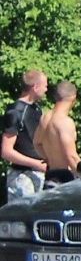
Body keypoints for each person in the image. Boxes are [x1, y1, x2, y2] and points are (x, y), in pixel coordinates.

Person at [2, 71, 49, 201]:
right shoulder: (16, 112)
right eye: (45, 86)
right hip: (22, 177)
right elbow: (6, 151)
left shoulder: (37, 109)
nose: (46, 89)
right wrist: (35, 163)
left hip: (40, 173)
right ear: (35, 87)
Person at [34, 81, 81, 185]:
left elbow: (37, 143)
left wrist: (49, 158)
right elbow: (71, 156)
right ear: (73, 98)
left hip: (50, 175)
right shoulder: (65, 122)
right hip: (64, 178)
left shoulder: (45, 118)